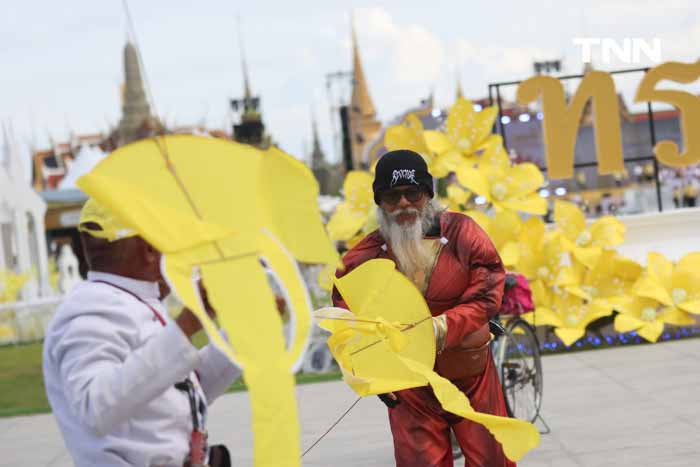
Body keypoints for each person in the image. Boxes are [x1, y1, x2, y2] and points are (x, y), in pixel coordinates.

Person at [332, 150, 512, 467]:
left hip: (469, 371)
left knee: (493, 458)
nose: (403, 204)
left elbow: (487, 289)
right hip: (410, 387)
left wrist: (444, 327)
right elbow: (347, 322)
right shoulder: (361, 259)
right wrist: (372, 373)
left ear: (427, 193)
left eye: (412, 193)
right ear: (380, 202)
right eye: (391, 196)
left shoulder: (462, 233)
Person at [43, 199, 240, 467]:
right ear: (149, 248)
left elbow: (182, 390)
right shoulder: (90, 308)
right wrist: (187, 324)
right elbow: (96, 407)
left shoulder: (131, 302)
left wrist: (244, 335)